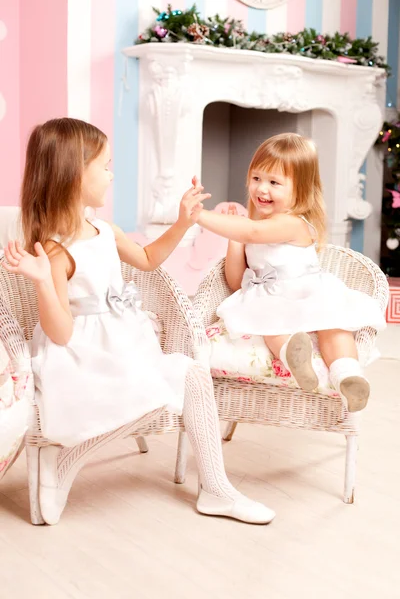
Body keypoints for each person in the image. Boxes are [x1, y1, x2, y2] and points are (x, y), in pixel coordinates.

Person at [2, 118, 275, 525]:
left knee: (192, 376)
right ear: (76, 173)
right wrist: (42, 283)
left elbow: (148, 261)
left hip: (122, 345)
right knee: (160, 391)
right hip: (80, 356)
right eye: (105, 165)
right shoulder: (56, 251)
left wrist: (183, 221)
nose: (112, 174)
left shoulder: (103, 229)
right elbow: (60, 333)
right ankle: (64, 464)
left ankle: (217, 489)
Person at [194, 133, 386, 412]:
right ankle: (294, 357)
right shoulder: (252, 227)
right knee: (270, 323)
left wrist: (199, 216)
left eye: (274, 183)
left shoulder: (295, 223)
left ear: (300, 190)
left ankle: (347, 375)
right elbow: (236, 281)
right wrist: (235, 240)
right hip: (271, 296)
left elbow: (254, 231)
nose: (262, 189)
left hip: (308, 290)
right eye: (257, 178)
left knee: (333, 325)